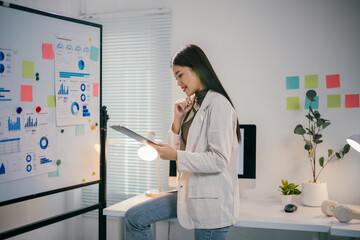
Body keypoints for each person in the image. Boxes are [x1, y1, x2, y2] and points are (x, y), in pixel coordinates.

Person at [125, 44, 241, 240]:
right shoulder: (194, 103)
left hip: (211, 203)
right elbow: (178, 149)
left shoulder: (218, 104)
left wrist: (175, 155)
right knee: (135, 217)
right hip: (189, 191)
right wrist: (177, 119)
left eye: (180, 75)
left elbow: (219, 160)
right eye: (175, 78)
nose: (178, 82)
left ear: (197, 68)